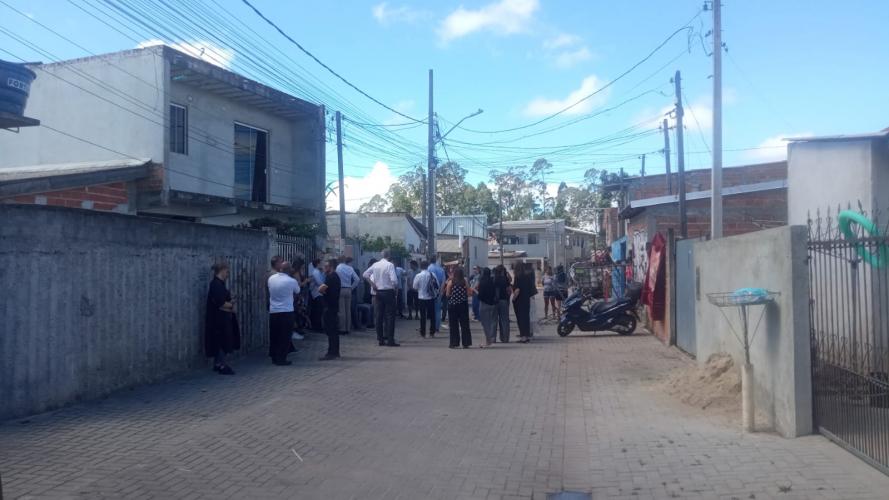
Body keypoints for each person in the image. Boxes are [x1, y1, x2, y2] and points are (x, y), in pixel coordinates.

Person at [205, 261, 239, 375]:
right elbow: (220, 303)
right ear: (222, 271)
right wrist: (231, 304)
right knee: (222, 341)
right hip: (219, 320)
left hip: (221, 318)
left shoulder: (219, 284)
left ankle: (217, 364)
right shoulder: (216, 285)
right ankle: (222, 365)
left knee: (221, 341)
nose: (228, 274)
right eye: (227, 272)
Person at [363, 250, 399, 347]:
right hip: (388, 291)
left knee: (379, 316)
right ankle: (390, 340)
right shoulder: (390, 265)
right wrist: (395, 288)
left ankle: (380, 339)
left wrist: (372, 284)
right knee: (390, 316)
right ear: (389, 256)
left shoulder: (375, 265)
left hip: (378, 292)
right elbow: (394, 280)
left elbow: (365, 274)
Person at [268, 261, 300, 365]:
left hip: (273, 311)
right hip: (286, 311)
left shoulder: (271, 279)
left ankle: (274, 357)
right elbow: (297, 291)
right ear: (289, 270)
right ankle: (281, 358)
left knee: (274, 335)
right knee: (285, 336)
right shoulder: (291, 281)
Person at [318, 258, 342, 361]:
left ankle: (332, 352)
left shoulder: (331, 277)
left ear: (331, 267)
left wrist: (322, 291)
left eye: (326, 266)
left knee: (331, 330)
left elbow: (321, 289)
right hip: (333, 306)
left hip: (330, 307)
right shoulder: (335, 276)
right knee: (333, 330)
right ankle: (335, 352)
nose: (324, 268)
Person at [445, 267, 473, 348]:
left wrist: (453, 296)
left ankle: (454, 343)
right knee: (465, 324)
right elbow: (469, 294)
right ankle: (466, 343)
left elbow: (447, 294)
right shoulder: (464, 282)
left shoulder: (451, 282)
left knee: (453, 325)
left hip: (453, 305)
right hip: (463, 305)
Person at [512, 262, 536, 343]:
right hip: (526, 300)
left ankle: (523, 337)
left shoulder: (518, 277)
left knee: (520, 319)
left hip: (519, 300)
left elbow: (517, 290)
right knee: (526, 318)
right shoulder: (527, 276)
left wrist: (513, 299)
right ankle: (526, 335)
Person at [413, 261, 438, 338]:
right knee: (432, 316)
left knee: (423, 316)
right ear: (427, 266)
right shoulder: (432, 274)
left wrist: (420, 289)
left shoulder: (418, 275)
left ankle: (423, 332)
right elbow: (437, 285)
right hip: (431, 298)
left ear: (420, 266)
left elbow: (414, 287)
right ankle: (432, 332)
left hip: (421, 297)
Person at [336, 256, 360, 335]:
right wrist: (351, 288)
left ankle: (342, 329)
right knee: (348, 310)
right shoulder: (350, 268)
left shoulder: (338, 268)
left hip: (341, 289)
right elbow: (357, 279)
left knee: (342, 310)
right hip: (349, 289)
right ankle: (348, 328)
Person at [476, 267, 497, 348]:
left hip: (484, 304)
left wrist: (476, 293)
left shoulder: (482, 282)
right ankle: (490, 338)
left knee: (485, 324)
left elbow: (480, 295)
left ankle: (488, 341)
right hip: (492, 304)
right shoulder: (492, 281)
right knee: (491, 322)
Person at [493, 265, 513, 343]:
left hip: (494, 302)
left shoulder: (493, 279)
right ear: (502, 271)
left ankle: (493, 338)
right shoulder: (505, 279)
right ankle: (505, 338)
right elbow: (509, 289)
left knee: (494, 320)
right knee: (504, 320)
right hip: (504, 300)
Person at [428, 256, 445, 336]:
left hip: (431, 293)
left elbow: (428, 281)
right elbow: (443, 281)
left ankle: (432, 327)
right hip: (439, 292)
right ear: (436, 260)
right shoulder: (441, 269)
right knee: (438, 310)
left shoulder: (429, 268)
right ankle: (437, 327)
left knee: (431, 310)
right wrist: (440, 291)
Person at [308, 258, 325, 331]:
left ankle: (318, 326)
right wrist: (326, 288)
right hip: (317, 293)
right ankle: (317, 327)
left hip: (318, 293)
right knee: (318, 311)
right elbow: (320, 282)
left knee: (319, 311)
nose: (322, 264)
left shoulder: (318, 271)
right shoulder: (316, 272)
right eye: (321, 263)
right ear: (318, 264)